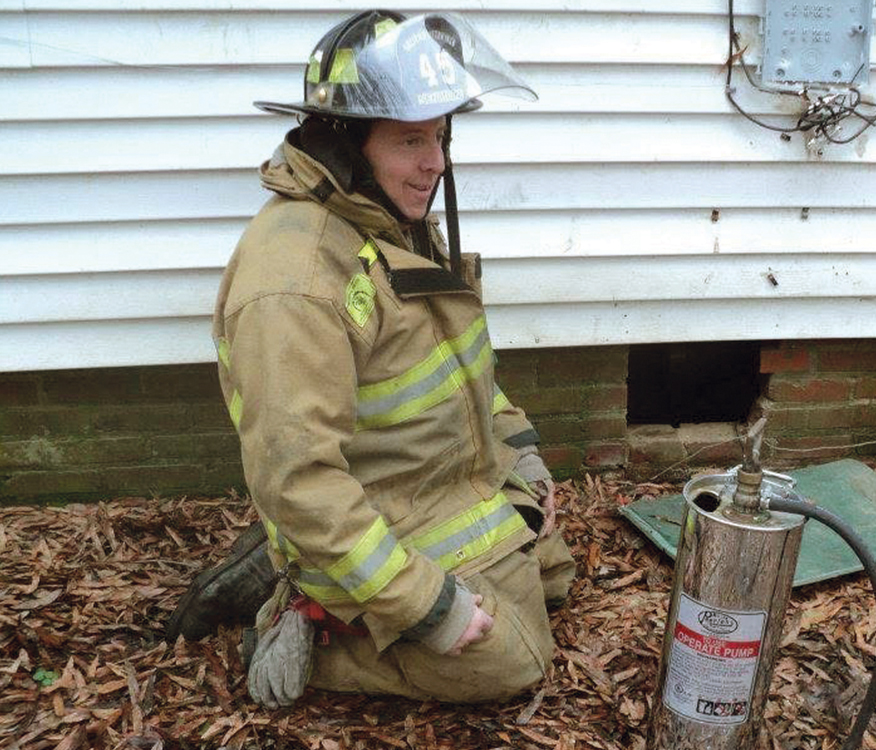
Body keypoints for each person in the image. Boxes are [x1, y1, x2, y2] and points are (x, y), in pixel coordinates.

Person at [165, 9, 575, 709]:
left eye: (440, 136)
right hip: (378, 511)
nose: (435, 162)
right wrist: (427, 606)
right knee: (512, 660)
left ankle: (297, 566)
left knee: (555, 578)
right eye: (411, 139)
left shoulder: (387, 222)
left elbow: (460, 366)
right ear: (343, 144)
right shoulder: (295, 281)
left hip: (439, 482)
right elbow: (298, 478)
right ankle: (303, 619)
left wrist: (520, 452)